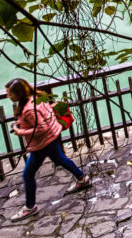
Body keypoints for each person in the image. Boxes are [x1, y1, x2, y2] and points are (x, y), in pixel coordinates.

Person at [6, 78, 90, 221]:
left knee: (28, 174)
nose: (8, 96)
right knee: (60, 159)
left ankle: (30, 207)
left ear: (18, 93)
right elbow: (43, 117)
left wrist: (20, 132)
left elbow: (41, 128)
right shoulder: (37, 97)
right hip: (54, 133)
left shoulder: (28, 110)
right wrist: (21, 123)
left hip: (43, 142)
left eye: (10, 93)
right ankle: (82, 178)